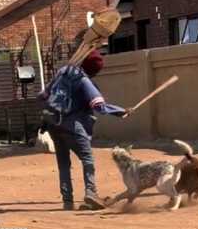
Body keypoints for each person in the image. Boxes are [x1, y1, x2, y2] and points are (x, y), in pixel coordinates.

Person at [38, 50, 131, 210]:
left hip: (53, 124)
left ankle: (67, 201)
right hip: (72, 126)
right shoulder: (84, 81)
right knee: (87, 159)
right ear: (95, 70)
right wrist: (120, 111)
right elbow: (98, 106)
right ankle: (91, 192)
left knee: (63, 164)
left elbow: (42, 95)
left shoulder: (62, 73)